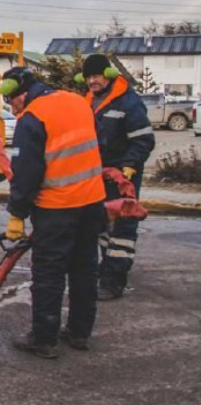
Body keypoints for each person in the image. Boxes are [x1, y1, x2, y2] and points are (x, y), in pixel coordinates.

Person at [0, 67, 107, 358]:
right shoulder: (77, 100)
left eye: (11, 101)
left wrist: (17, 213)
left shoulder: (32, 117)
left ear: (20, 93)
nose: (12, 108)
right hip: (92, 202)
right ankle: (79, 333)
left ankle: (44, 339)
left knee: (49, 273)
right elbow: (100, 144)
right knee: (85, 270)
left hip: (57, 207)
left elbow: (26, 171)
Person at [79, 53, 155, 300]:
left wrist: (130, 166)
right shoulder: (89, 101)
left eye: (97, 75)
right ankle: (107, 268)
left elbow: (144, 139)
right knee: (101, 224)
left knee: (122, 227)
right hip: (98, 176)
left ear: (109, 75)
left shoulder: (128, 102)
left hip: (123, 175)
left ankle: (114, 281)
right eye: (89, 76)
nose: (92, 81)